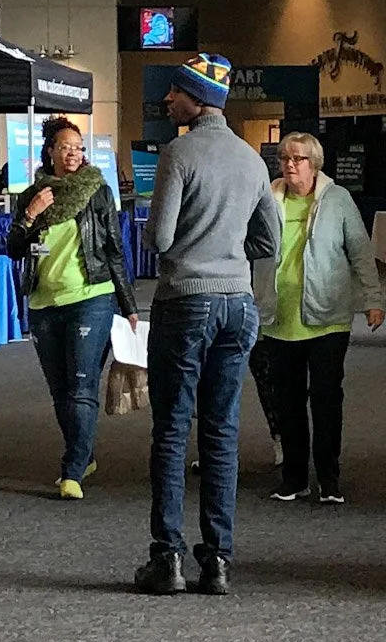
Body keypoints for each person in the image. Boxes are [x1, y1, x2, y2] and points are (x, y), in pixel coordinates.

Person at [134, 53, 281, 597]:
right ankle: (217, 561)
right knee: (221, 431)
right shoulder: (251, 159)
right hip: (238, 304)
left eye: (175, 92)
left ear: (197, 99)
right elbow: (269, 241)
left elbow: (160, 238)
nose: (167, 99)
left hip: (186, 301)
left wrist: (166, 235)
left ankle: (167, 559)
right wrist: (227, 247)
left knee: (172, 430)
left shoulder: (179, 153)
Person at [7, 117, 138, 501]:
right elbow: (14, 249)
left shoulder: (97, 192)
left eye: (79, 148)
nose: (74, 154)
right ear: (50, 151)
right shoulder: (32, 195)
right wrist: (30, 214)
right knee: (61, 391)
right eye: (66, 147)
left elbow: (114, 250)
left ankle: (72, 469)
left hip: (92, 298)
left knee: (81, 387)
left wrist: (128, 305)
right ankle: (85, 454)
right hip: (44, 304)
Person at [252, 131, 384, 504]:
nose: (289, 165)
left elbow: (360, 252)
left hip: (328, 319)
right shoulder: (267, 199)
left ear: (315, 163)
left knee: (326, 400)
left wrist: (373, 299)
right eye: (284, 158)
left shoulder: (337, 199)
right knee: (288, 403)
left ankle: (328, 478)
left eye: (298, 158)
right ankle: (294, 478)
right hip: (279, 319)